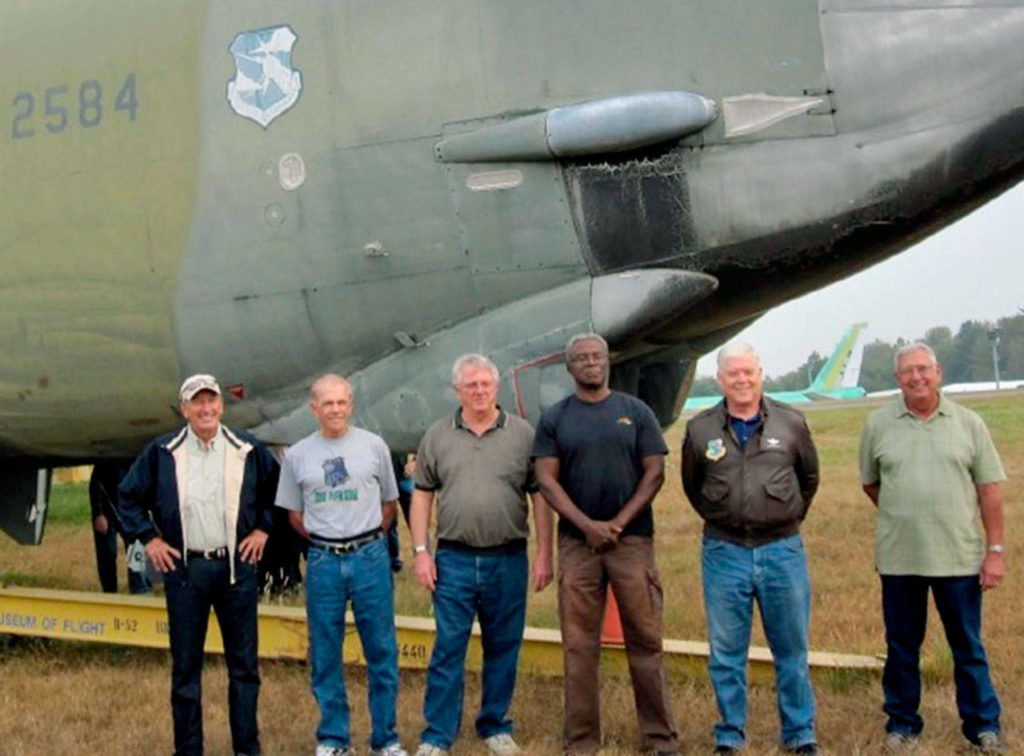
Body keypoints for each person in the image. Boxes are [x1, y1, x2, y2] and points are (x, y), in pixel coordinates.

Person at [532, 333, 679, 755]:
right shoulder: (556, 418)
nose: (590, 363)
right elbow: (546, 479)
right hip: (578, 547)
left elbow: (654, 473)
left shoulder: (636, 412)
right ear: (569, 367)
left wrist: (617, 522)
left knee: (646, 642)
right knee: (579, 646)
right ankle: (580, 743)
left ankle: (661, 739)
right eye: (581, 358)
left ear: (607, 362)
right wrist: (586, 524)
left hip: (631, 542)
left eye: (597, 356)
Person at [119, 374, 278, 756]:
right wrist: (150, 538)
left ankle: (247, 748)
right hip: (186, 573)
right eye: (197, 403)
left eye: (212, 401)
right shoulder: (163, 451)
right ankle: (188, 750)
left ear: (221, 405)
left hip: (236, 571)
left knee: (244, 668)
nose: (205, 409)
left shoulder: (248, 449)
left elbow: (279, 492)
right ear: (185, 409)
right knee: (186, 670)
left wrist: (262, 530)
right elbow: (128, 497)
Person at [859, 342, 1006, 754]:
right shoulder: (878, 424)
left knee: (968, 647)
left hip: (958, 558)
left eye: (923, 369)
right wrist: (906, 512)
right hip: (900, 559)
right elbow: (872, 484)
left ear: (938, 372)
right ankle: (903, 723)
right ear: (897, 379)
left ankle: (982, 726)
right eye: (908, 371)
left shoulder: (968, 423)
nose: (916, 377)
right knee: (902, 647)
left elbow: (990, 491)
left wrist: (995, 550)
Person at [410, 354, 553, 756]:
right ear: (457, 390)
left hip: (508, 558)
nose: (479, 391)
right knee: (448, 646)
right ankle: (437, 734)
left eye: (486, 384)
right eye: (470, 385)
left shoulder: (522, 434)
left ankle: (495, 726)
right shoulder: (438, 435)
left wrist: (545, 553)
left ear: (497, 387)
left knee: (503, 645)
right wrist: (421, 552)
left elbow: (540, 496)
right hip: (452, 559)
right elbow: (422, 495)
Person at [681, 342, 819, 755]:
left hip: (782, 550)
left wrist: (781, 516)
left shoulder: (792, 423)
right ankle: (730, 735)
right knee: (726, 653)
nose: (742, 380)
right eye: (733, 374)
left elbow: (808, 479)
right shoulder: (701, 429)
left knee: (791, 648)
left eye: (749, 372)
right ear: (720, 379)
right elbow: (693, 487)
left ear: (761, 374)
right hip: (725, 553)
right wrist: (727, 514)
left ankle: (799, 734)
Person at [275, 374, 406, 756]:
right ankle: (333, 738)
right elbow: (294, 515)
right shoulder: (298, 454)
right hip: (323, 561)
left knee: (381, 648)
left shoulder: (374, 446)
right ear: (314, 408)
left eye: (341, 402)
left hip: (369, 557)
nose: (335, 410)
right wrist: (327, 538)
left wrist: (365, 538)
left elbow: (388, 504)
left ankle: (386, 739)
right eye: (326, 404)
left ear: (351, 404)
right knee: (325, 651)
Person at [90, 459, 151, 594]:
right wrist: (98, 513)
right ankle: (109, 591)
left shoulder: (141, 462)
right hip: (108, 511)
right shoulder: (106, 461)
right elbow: (96, 484)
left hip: (131, 513)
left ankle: (139, 589)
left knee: (136, 551)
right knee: (108, 555)